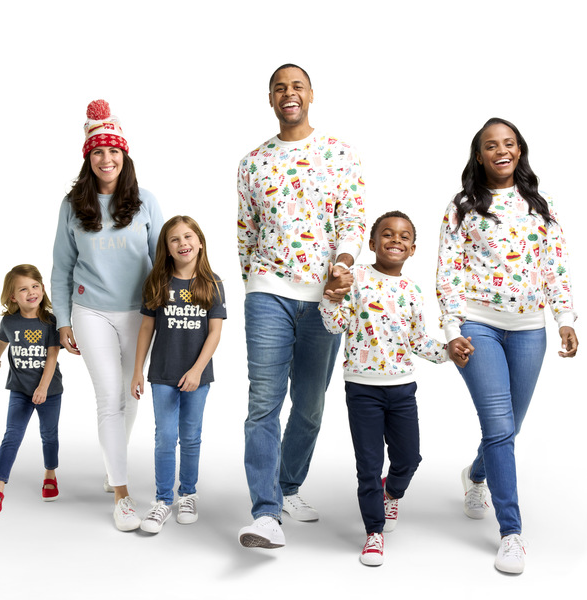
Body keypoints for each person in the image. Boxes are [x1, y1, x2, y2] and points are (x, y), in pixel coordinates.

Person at [437, 117, 579, 574]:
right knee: (499, 427)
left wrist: (564, 320)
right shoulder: (461, 206)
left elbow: (555, 266)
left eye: (509, 143)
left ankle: (476, 475)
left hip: (529, 329)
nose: (502, 150)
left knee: (510, 426)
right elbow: (448, 274)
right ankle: (511, 533)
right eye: (491, 145)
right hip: (478, 324)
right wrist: (452, 329)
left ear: (520, 151)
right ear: (478, 155)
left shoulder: (540, 205)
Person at [237, 63, 366, 548]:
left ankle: (287, 486)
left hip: (324, 298)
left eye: (296, 86)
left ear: (310, 95)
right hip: (268, 291)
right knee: (262, 404)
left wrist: (344, 264)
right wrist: (255, 279)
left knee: (309, 405)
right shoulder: (252, 162)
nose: (288, 94)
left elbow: (353, 219)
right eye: (279, 88)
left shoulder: (339, 154)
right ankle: (265, 513)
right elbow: (246, 231)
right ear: (270, 100)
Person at [320, 212, 472, 565]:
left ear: (413, 249)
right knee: (368, 465)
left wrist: (448, 351)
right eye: (387, 234)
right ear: (372, 244)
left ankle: (393, 492)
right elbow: (334, 326)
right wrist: (330, 299)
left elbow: (418, 340)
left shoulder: (411, 291)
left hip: (403, 389)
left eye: (404, 237)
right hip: (362, 389)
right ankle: (373, 533)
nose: (395, 240)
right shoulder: (355, 277)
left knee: (409, 457)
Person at [51, 99, 164, 532]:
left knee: (130, 395)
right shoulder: (71, 206)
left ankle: (111, 460)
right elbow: (61, 267)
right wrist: (63, 321)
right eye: (98, 151)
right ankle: (122, 494)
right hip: (90, 310)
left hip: (139, 314)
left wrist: (168, 311)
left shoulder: (146, 201)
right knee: (109, 398)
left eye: (113, 151)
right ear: (88, 157)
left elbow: (162, 261)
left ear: (124, 155)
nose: (106, 159)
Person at [130, 215, 226, 534]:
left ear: (199, 242)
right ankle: (162, 500)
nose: (182, 243)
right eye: (175, 239)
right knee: (165, 437)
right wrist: (137, 371)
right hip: (162, 374)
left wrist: (197, 370)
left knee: (190, 436)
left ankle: (188, 493)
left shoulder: (213, 283)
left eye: (188, 237)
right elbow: (146, 327)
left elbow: (214, 332)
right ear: (167, 248)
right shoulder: (157, 282)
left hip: (197, 377)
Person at [0, 264, 63, 517]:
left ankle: (50, 474)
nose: (31, 292)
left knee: (48, 434)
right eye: (23, 289)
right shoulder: (9, 321)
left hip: (49, 391)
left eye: (35, 286)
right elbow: (0, 340)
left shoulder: (51, 321)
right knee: (12, 435)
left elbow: (52, 357)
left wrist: (42, 388)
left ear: (42, 288)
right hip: (19, 390)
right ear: (13, 296)